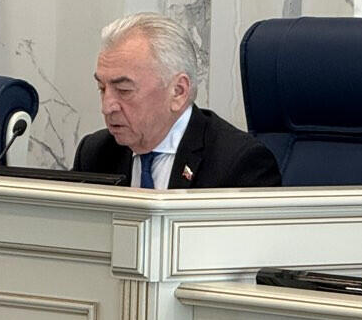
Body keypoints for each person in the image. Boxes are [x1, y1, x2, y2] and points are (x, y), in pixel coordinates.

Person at [73, 13, 281, 188]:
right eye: (102, 88)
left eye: (124, 90)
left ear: (178, 92)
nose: (107, 107)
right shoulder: (96, 153)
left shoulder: (238, 163)